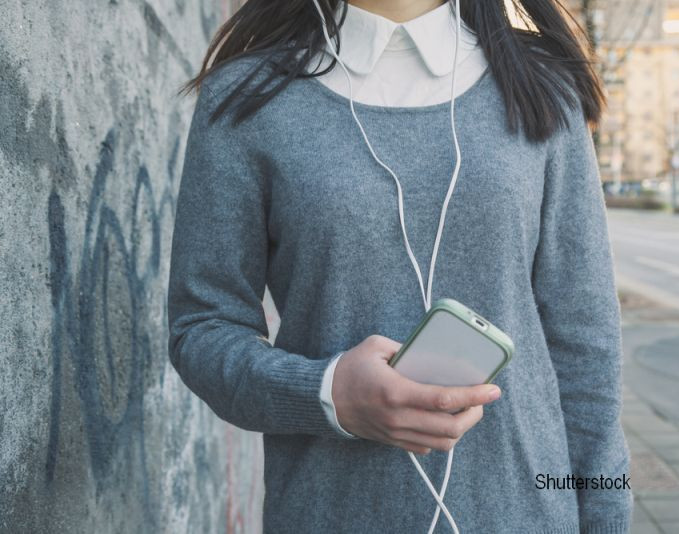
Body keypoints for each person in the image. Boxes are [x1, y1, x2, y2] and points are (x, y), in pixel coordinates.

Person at [167, 0, 633, 532]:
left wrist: (606, 513)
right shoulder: (247, 97)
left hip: (529, 513)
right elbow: (202, 327)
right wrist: (327, 392)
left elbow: (586, 339)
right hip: (331, 514)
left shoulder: (542, 84)